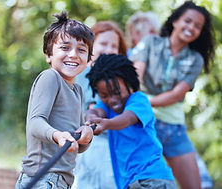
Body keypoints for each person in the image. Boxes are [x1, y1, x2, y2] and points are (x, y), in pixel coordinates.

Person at [130, 1, 215, 189]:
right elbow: (135, 78)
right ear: (175, 21)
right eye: (188, 21)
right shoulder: (149, 43)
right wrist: (141, 105)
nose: (191, 27)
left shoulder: (195, 59)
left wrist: (144, 101)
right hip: (144, 124)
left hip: (174, 129)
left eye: (197, 26)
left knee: (194, 186)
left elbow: (176, 95)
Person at [15, 11, 95, 189]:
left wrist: (86, 136)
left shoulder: (77, 90)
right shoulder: (50, 78)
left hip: (61, 180)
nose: (74, 54)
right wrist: (57, 135)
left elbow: (74, 145)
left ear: (88, 59)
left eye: (81, 50)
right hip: (42, 177)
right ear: (48, 54)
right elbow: (35, 123)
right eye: (65, 47)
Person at [85, 54, 177, 189]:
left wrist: (106, 124)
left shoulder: (139, 100)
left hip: (152, 179)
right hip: (129, 183)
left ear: (130, 84)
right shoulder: (106, 106)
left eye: (117, 92)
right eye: (104, 95)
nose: (112, 100)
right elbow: (95, 112)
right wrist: (90, 118)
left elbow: (127, 118)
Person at [73, 20, 127, 189]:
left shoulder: (118, 79)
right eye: (103, 43)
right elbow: (92, 110)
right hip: (94, 145)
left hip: (113, 145)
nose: (109, 49)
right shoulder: (87, 73)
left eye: (114, 46)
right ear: (90, 46)